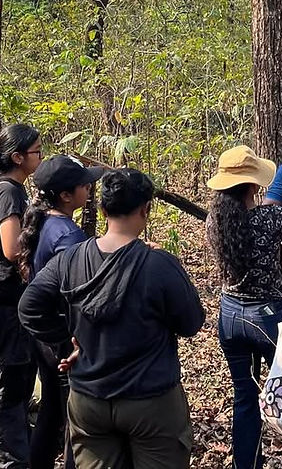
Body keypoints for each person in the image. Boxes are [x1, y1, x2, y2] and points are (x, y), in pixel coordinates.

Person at [18, 168, 205, 469]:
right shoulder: (158, 264)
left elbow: (29, 307)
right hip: (151, 400)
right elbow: (191, 323)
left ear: (103, 210)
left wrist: (67, 342)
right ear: (145, 209)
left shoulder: (70, 260)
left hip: (89, 401)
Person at [205, 145, 282, 469]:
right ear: (253, 184)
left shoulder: (214, 222)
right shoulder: (273, 216)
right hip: (269, 317)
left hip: (231, 316)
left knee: (244, 397)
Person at [17, 155, 105, 469]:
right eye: (84, 184)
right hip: (62, 336)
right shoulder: (67, 236)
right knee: (73, 415)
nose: (89, 188)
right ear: (66, 195)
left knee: (53, 410)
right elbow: (78, 290)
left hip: (44, 337)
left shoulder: (45, 222)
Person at [0, 123, 43, 468]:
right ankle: (12, 462)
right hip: (6, 307)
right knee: (8, 392)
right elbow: (12, 248)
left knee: (18, 385)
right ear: (17, 157)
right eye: (36, 151)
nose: (40, 157)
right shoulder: (7, 192)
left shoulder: (12, 190)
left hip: (13, 304)